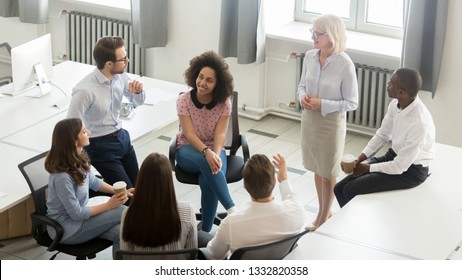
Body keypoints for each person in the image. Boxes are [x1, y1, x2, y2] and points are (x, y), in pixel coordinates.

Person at [334, 68, 435, 207]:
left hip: (412, 171)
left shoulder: (419, 124)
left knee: (351, 190)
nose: (387, 84)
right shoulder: (396, 103)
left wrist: (366, 168)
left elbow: (400, 167)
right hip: (394, 156)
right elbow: (383, 135)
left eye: (391, 83)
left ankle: (356, 224)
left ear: (401, 91)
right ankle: (349, 223)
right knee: (339, 189)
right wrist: (360, 159)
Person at [297, 14, 358, 230]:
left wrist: (322, 103)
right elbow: (302, 86)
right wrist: (302, 96)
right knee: (316, 167)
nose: (313, 36)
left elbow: (351, 102)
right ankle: (324, 212)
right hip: (310, 122)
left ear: (331, 35)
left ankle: (322, 217)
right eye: (312, 31)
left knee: (328, 171)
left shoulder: (345, 64)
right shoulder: (310, 56)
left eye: (317, 33)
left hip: (330, 126)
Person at [45, 118, 134, 259]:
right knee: (124, 212)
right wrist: (109, 205)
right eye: (84, 132)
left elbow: (93, 182)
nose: (89, 133)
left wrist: (119, 191)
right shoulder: (62, 177)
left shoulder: (79, 157)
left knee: (122, 234)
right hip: (67, 230)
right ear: (74, 141)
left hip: (82, 221)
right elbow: (77, 214)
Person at [67, 36, 145, 195]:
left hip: (122, 138)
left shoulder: (120, 76)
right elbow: (70, 125)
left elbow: (137, 101)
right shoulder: (85, 90)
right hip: (100, 145)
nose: (127, 61)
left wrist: (138, 92)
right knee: (128, 196)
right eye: (123, 59)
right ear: (109, 63)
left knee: (140, 190)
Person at [175, 50, 236, 233]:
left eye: (209, 80)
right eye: (201, 77)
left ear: (218, 84)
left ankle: (205, 232)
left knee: (209, 176)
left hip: (214, 149)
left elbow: (220, 135)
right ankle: (232, 209)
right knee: (207, 162)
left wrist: (216, 154)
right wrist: (207, 153)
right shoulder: (183, 101)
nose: (202, 83)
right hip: (187, 149)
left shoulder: (224, 102)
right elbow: (190, 134)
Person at [201, 154, 306, 260]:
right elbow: (290, 196)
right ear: (274, 181)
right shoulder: (297, 210)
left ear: (245, 186)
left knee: (200, 236)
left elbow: (213, 255)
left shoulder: (231, 223)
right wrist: (283, 179)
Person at [120, 153, 197, 255]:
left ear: (141, 180)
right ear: (169, 181)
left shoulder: (128, 215)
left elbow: (127, 257)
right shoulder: (188, 212)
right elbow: (192, 254)